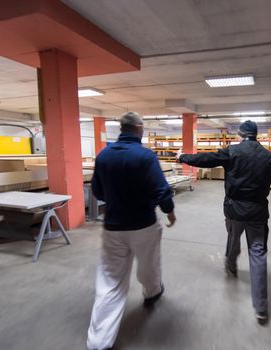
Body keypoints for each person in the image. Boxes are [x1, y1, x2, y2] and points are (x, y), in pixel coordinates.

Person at [87, 112, 176, 350]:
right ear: (138, 128)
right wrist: (169, 211)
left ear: (121, 129)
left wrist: (116, 201)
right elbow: (161, 189)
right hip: (143, 224)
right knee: (149, 266)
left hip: (113, 225)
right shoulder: (146, 156)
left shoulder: (104, 155)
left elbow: (97, 190)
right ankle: (152, 292)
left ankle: (98, 342)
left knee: (110, 280)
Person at [177, 120, 271, 324]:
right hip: (257, 210)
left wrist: (182, 157)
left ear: (240, 135)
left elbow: (206, 159)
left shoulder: (232, 151)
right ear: (256, 136)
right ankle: (261, 308)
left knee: (233, 237)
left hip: (234, 209)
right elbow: (267, 183)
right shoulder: (269, 156)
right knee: (258, 253)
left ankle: (231, 264)